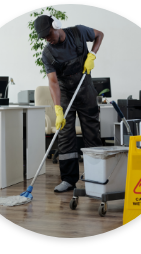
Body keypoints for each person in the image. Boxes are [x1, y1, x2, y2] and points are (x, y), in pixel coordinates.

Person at [34, 15, 104, 192]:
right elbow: (53, 82)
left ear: (55, 25)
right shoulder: (48, 53)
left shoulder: (79, 32)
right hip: (65, 93)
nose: (47, 39)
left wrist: (93, 54)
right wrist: (58, 109)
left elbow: (100, 34)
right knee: (65, 136)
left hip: (85, 89)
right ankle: (68, 180)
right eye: (43, 37)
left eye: (48, 34)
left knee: (92, 133)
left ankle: (95, 176)